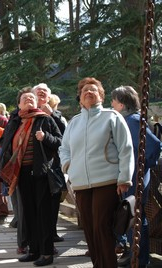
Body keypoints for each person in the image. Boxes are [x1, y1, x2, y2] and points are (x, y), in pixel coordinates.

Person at [59, 77, 135, 267]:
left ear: (101, 95)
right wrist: (68, 166)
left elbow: (125, 149)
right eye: (85, 90)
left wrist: (124, 178)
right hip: (81, 184)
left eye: (93, 90)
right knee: (90, 230)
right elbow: (64, 149)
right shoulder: (74, 122)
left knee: (102, 227)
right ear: (80, 97)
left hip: (107, 181)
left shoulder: (112, 117)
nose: (88, 92)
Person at [0, 87, 62, 266]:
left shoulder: (45, 119)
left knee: (43, 213)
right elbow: (5, 142)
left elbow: (59, 141)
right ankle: (33, 250)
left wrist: (45, 137)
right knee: (28, 213)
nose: (29, 100)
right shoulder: (15, 121)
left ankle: (47, 253)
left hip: (41, 172)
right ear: (19, 104)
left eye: (32, 98)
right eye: (25, 98)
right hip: (21, 173)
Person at [111, 86, 161, 268]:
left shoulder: (131, 121)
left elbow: (154, 146)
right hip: (132, 177)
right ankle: (135, 255)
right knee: (132, 218)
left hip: (134, 179)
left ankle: (139, 260)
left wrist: (142, 167)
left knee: (135, 218)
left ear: (122, 104)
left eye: (114, 102)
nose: (112, 105)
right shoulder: (129, 120)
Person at [32, 83, 67, 246]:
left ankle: (51, 233)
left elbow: (64, 138)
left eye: (45, 92)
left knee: (53, 201)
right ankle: (34, 238)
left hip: (52, 165)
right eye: (38, 92)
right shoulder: (25, 114)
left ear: (49, 96)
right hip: (31, 167)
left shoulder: (57, 115)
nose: (41, 93)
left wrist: (52, 115)